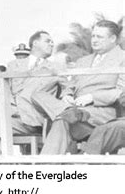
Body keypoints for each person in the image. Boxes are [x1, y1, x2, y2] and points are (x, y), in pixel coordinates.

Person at [33, 20, 125, 155]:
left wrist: (92, 98)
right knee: (38, 95)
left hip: (102, 112)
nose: (94, 40)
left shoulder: (122, 58)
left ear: (112, 39)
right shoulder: (83, 61)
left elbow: (120, 92)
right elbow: (70, 85)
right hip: (76, 110)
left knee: (62, 120)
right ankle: (66, 110)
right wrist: (67, 95)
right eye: (93, 36)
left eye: (99, 37)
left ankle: (45, 166)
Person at [0, 31, 65, 155]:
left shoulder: (55, 67)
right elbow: (1, 86)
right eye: (48, 41)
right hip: (13, 117)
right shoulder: (13, 65)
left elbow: (68, 87)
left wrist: (68, 96)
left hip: (33, 117)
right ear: (35, 43)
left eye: (52, 42)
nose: (52, 44)